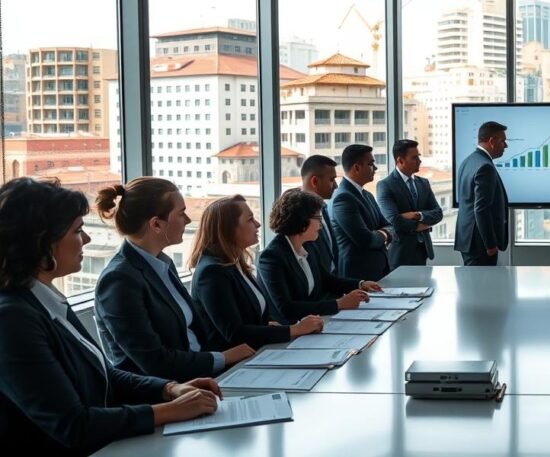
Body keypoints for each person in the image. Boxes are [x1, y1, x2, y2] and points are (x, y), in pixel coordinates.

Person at [0, 177, 223, 455]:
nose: (87, 238)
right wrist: (167, 411)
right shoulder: (12, 320)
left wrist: (169, 389)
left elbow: (106, 374)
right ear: (42, 242)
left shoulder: (47, 299)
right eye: (77, 230)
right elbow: (73, 425)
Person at [94, 177, 255, 380]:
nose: (188, 220)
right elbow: (154, 362)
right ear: (156, 224)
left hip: (201, 377)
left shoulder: (163, 264)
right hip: (169, 394)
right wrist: (223, 358)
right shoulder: (119, 281)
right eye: (181, 213)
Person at [188, 195, 324, 350]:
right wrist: (295, 329)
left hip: (257, 352)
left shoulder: (235, 263)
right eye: (250, 219)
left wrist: (276, 327)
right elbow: (235, 333)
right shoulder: (212, 272)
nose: (258, 224)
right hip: (234, 366)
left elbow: (254, 319)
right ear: (229, 228)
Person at [259, 188, 380, 324]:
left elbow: (326, 280)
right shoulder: (271, 257)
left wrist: (360, 284)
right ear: (302, 220)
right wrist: (338, 303)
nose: (321, 225)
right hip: (290, 332)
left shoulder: (309, 246)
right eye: (318, 218)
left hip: (315, 324)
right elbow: (287, 308)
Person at [329, 144, 393, 281]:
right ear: (356, 168)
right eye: (371, 164)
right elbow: (366, 240)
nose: (375, 168)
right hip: (357, 276)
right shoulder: (343, 198)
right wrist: (384, 233)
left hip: (377, 271)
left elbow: (390, 226)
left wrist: (383, 233)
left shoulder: (367, 195)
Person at [376, 139, 443, 270]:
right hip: (400, 252)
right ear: (400, 160)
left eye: (419, 156)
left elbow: (438, 213)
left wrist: (417, 215)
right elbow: (394, 220)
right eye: (414, 157)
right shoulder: (385, 185)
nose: (419, 161)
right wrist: (422, 225)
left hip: (422, 250)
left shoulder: (423, 183)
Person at [454, 121, 509, 266]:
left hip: (469, 239)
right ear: (492, 141)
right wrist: (490, 244)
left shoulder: (468, 161)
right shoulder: (485, 167)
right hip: (480, 244)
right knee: (483, 287)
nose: (506, 145)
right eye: (503, 141)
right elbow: (481, 209)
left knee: (473, 286)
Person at [300, 155, 341, 276]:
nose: (336, 186)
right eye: (331, 180)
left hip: (333, 282)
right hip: (316, 287)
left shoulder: (323, 206)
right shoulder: (298, 214)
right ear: (314, 181)